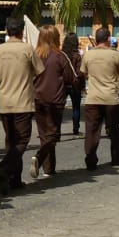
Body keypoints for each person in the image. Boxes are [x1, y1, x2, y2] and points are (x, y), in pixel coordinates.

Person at [0, 17, 43, 195]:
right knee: (22, 140)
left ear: (7, 31)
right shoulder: (27, 49)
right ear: (22, 32)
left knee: (11, 140)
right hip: (23, 102)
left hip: (4, 101)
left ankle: (14, 179)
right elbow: (40, 71)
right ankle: (5, 169)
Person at [81, 27, 119, 170]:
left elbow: (84, 73)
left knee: (91, 130)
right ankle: (116, 157)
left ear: (96, 39)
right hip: (111, 98)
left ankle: (90, 158)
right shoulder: (116, 55)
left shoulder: (88, 55)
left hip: (93, 98)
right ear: (108, 39)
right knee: (113, 129)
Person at [31, 25, 75, 179]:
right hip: (55, 100)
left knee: (44, 134)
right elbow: (70, 77)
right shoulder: (60, 56)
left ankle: (49, 168)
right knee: (53, 134)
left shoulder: (34, 55)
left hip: (37, 99)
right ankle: (40, 157)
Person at [62, 34, 84, 136]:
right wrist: (82, 86)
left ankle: (57, 131)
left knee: (60, 108)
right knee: (76, 108)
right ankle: (76, 129)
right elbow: (80, 73)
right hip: (75, 86)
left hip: (62, 85)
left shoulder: (61, 55)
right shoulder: (77, 56)